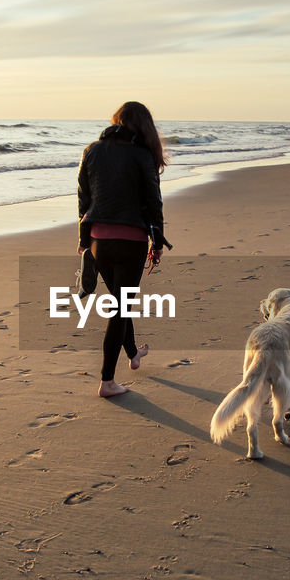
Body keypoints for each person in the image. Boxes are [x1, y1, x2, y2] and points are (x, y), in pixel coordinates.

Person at [77, 101, 172, 398]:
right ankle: (107, 381)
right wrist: (157, 242)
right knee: (120, 307)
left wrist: (84, 239)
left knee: (119, 300)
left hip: (99, 242)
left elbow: (84, 197)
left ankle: (133, 353)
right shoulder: (142, 154)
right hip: (131, 241)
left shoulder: (92, 150)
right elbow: (154, 202)